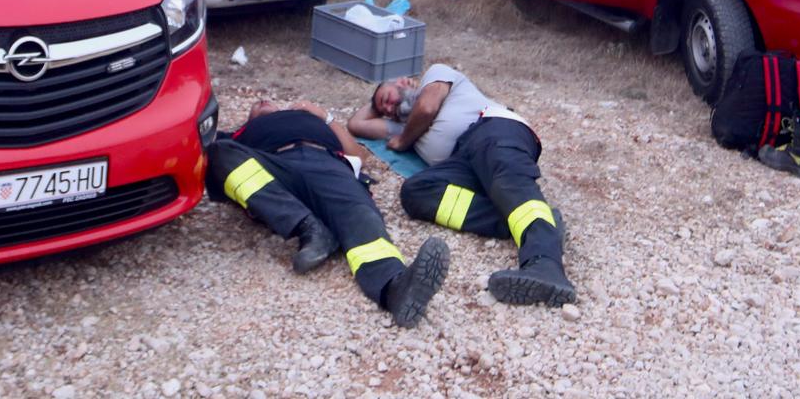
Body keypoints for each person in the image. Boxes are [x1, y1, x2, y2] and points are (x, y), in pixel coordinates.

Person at [206, 99, 450, 328]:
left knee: (359, 215)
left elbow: (358, 155)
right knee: (218, 152)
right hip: (275, 168)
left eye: (266, 100)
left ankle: (393, 288)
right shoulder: (239, 135)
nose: (261, 101)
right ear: (249, 120)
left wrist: (325, 117)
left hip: (326, 162)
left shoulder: (308, 117)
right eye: (255, 105)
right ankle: (308, 228)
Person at [348, 65, 576, 307]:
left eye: (388, 99)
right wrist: (376, 104)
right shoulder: (404, 125)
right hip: (462, 159)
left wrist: (403, 141)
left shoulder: (435, 76)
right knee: (416, 193)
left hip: (492, 129)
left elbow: (427, 108)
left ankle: (545, 264)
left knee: (505, 180)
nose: (390, 109)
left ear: (403, 82)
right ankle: (538, 224)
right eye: (388, 111)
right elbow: (356, 124)